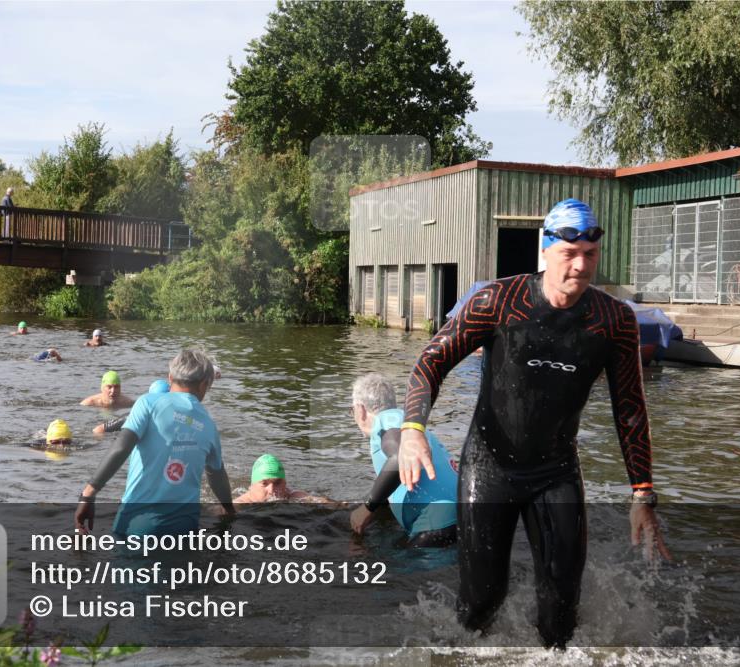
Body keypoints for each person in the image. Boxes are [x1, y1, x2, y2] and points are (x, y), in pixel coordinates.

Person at [397, 198, 669, 648]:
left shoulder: (613, 320)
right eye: (569, 254)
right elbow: (431, 361)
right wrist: (413, 431)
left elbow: (631, 408)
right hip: (490, 467)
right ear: (545, 251)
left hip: (556, 472)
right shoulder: (498, 301)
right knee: (483, 600)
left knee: (562, 611)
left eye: (591, 255)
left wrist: (642, 493)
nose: (581, 266)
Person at [75, 348, 234, 537]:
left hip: (138, 524)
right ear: (204, 385)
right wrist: (229, 510)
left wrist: (88, 494)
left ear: (169, 378)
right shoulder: (208, 424)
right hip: (185, 527)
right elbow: (216, 475)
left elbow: (121, 447)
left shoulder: (148, 404)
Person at [348, 374, 457, 548]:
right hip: (464, 514)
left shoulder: (384, 424)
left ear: (360, 410)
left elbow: (400, 457)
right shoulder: (408, 422)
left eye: (351, 410)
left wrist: (367, 508)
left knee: (390, 573)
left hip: (438, 523)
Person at [234, 454, 331, 504]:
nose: (272, 490)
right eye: (264, 483)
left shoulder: (291, 495)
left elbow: (318, 501)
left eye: (277, 483)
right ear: (252, 486)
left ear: (285, 484)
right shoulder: (243, 502)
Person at [93, 379, 169, 435]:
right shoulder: (135, 417)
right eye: (158, 400)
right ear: (150, 399)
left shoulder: (176, 415)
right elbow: (99, 429)